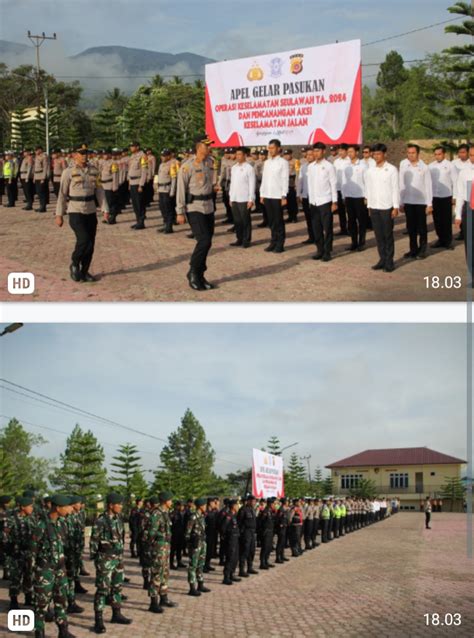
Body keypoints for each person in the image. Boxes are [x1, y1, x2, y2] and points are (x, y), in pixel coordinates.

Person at [56, 144, 108, 283]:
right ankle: (74, 263)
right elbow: (62, 193)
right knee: (83, 239)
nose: (84, 155)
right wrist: (59, 214)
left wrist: (105, 209)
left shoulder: (94, 171)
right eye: (81, 153)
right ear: (75, 155)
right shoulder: (68, 172)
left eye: (86, 153)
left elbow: (100, 191)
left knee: (91, 244)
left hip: (90, 210)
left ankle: (84, 271)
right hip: (75, 210)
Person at [176, 135, 218, 291]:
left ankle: (200, 274)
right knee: (204, 241)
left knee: (208, 242)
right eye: (207, 146)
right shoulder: (187, 166)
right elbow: (180, 189)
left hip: (209, 206)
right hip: (194, 207)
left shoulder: (210, 162)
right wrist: (179, 211)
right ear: (199, 147)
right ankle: (193, 272)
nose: (209, 148)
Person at [31, 494, 75, 638]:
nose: (70, 509)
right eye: (67, 506)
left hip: (60, 569)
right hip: (45, 571)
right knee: (41, 605)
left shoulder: (61, 523)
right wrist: (34, 574)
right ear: (58, 508)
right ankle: (39, 632)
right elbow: (32, 551)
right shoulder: (41, 525)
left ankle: (63, 631)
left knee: (61, 601)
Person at [90, 493, 132, 633]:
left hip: (118, 559)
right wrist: (97, 560)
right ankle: (99, 621)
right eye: (118, 504)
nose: (120, 506)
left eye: (121, 504)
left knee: (117, 587)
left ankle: (116, 614)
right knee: (102, 590)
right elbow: (94, 542)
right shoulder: (100, 521)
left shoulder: (118, 519)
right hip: (105, 559)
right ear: (110, 505)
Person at [365, 143, 399, 272]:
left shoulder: (391, 169)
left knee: (387, 235)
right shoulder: (370, 171)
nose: (376, 156)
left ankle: (389, 261)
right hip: (374, 206)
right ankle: (382, 259)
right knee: (378, 235)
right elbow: (368, 189)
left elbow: (395, 189)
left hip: (387, 207)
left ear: (385, 154)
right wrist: (369, 205)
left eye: (379, 154)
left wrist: (395, 207)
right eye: (374, 154)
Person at [143, 492, 177, 614]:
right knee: (157, 573)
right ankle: (153, 602)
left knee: (165, 572)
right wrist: (152, 548)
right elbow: (151, 533)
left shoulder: (165, 513)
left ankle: (164, 598)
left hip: (165, 546)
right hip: (158, 547)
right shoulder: (156, 514)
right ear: (165, 501)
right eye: (170, 500)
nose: (171, 502)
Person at [399, 144, 433, 260]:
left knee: (422, 227)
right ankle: (413, 249)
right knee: (411, 227)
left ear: (418, 153)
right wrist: (401, 202)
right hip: (408, 201)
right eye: (408, 153)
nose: (410, 155)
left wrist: (429, 204)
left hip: (421, 202)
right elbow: (401, 185)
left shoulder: (424, 167)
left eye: (413, 153)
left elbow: (428, 186)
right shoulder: (404, 166)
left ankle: (422, 250)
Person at [307, 141, 338, 262]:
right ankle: (319, 249)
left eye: (318, 151)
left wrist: (334, 202)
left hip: (325, 201)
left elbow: (333, 184)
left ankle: (327, 251)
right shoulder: (310, 167)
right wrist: (310, 200)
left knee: (327, 227)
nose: (316, 153)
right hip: (314, 202)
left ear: (323, 152)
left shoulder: (329, 166)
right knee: (316, 228)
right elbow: (310, 184)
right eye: (314, 151)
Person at [260, 139, 289, 253]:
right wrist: (262, 194)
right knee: (271, 220)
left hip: (277, 195)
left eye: (272, 148)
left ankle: (280, 244)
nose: (270, 150)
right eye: (269, 148)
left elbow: (285, 179)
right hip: (267, 194)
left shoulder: (283, 162)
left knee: (278, 220)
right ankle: (273, 241)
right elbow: (264, 179)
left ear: (278, 148)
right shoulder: (267, 162)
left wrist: (283, 196)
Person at [6, 495, 35, 611]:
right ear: (23, 507)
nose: (32, 508)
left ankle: (28, 598)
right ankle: (13, 600)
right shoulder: (11, 519)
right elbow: (5, 535)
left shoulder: (32, 519)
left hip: (28, 553)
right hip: (16, 554)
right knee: (15, 578)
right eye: (30, 506)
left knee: (29, 576)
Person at [429, 146, 456, 249]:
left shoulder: (450, 165)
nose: (437, 156)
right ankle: (440, 239)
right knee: (437, 220)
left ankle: (448, 242)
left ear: (444, 154)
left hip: (446, 196)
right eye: (435, 154)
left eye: (439, 154)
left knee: (446, 220)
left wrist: (455, 196)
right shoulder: (431, 166)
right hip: (434, 197)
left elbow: (455, 181)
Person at [342, 144, 368, 251]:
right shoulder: (346, 166)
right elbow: (344, 181)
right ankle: (354, 242)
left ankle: (361, 242)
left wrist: (366, 197)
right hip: (349, 197)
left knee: (361, 220)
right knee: (351, 220)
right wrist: (344, 195)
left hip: (360, 197)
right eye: (348, 152)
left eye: (351, 152)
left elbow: (367, 182)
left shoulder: (363, 165)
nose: (349, 154)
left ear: (357, 152)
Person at [454, 144, 474, 284]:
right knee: (470, 244)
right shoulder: (464, 172)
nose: (473, 158)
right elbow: (460, 195)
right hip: (469, 209)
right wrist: (458, 215)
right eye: (472, 155)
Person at [229, 146, 256, 248]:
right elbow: (232, 184)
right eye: (237, 154)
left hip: (244, 198)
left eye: (240, 154)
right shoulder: (234, 167)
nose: (237, 156)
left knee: (245, 220)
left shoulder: (249, 168)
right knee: (237, 221)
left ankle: (246, 240)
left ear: (245, 155)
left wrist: (251, 199)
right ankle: (239, 238)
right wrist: (231, 198)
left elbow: (252, 184)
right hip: (235, 198)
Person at [185, 497, 210, 596]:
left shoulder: (202, 517)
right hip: (195, 545)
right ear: (200, 506)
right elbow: (187, 533)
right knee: (193, 566)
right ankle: (192, 588)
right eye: (204, 505)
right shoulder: (193, 517)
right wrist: (191, 545)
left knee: (201, 564)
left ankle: (200, 584)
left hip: (202, 543)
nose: (206, 507)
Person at [297, 147, 315, 244]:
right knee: (308, 218)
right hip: (305, 196)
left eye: (311, 154)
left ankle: (318, 237)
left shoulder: (318, 166)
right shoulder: (303, 167)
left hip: (316, 197)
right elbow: (300, 181)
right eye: (307, 155)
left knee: (316, 219)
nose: (309, 156)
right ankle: (311, 237)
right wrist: (298, 194)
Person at [156, 149, 177, 234]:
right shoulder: (161, 165)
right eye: (161, 155)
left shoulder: (172, 165)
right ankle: (165, 224)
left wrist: (172, 191)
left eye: (164, 156)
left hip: (167, 189)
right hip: (161, 189)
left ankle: (169, 226)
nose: (162, 157)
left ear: (169, 156)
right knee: (162, 207)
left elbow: (174, 179)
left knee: (169, 208)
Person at [128, 141, 148, 230]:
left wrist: (141, 184)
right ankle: (137, 221)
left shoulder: (142, 156)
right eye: (131, 146)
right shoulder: (132, 156)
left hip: (138, 182)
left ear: (137, 147)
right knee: (135, 204)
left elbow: (144, 171)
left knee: (140, 203)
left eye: (132, 146)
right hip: (132, 182)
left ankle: (141, 222)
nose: (131, 148)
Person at [236, 494, 258, 577]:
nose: (254, 502)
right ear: (248, 501)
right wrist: (241, 532)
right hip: (246, 532)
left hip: (252, 532)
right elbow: (239, 521)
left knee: (252, 550)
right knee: (244, 551)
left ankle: (250, 567)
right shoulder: (243, 510)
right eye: (252, 501)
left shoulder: (253, 509)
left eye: (254, 501)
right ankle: (241, 570)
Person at [452, 143, 470, 241]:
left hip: (470, 193)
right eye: (459, 152)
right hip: (459, 192)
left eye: (463, 152)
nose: (461, 154)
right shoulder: (454, 163)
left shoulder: (471, 163)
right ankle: (463, 233)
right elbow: (453, 181)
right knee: (461, 212)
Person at [221, 499, 240, 585]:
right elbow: (223, 528)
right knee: (230, 558)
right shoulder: (228, 516)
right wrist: (226, 537)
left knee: (235, 558)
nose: (238, 507)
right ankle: (226, 577)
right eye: (236, 505)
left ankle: (232, 574)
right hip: (230, 540)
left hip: (235, 539)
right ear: (233, 506)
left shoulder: (234, 515)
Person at [100, 149, 121, 225]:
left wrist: (115, 186)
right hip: (103, 185)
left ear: (109, 155)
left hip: (110, 185)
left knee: (111, 202)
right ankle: (106, 217)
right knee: (105, 203)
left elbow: (115, 175)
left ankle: (112, 218)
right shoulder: (103, 163)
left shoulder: (113, 163)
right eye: (103, 154)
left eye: (105, 154)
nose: (104, 156)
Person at [333, 143, 350, 235]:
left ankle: (351, 228)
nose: (340, 152)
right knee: (341, 211)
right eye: (339, 150)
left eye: (342, 150)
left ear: (346, 151)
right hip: (338, 188)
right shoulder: (336, 162)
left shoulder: (350, 161)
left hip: (348, 189)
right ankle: (343, 228)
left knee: (349, 211)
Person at [257, 497, 275, 569]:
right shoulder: (265, 511)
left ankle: (266, 561)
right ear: (270, 504)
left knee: (269, 547)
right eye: (273, 503)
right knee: (265, 547)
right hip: (266, 531)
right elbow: (261, 522)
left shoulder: (270, 511)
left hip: (270, 531)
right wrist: (262, 531)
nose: (274, 505)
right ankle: (262, 563)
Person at [204, 497, 218, 573]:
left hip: (213, 533)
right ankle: (203, 565)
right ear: (210, 503)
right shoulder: (206, 512)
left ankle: (207, 564)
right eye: (213, 503)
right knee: (206, 550)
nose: (214, 504)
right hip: (207, 534)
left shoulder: (213, 512)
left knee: (210, 550)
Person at [170, 500, 186, 569]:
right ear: (177, 506)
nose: (182, 507)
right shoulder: (173, 514)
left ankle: (179, 561)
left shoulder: (183, 513)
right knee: (173, 549)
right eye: (181, 505)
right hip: (174, 534)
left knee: (179, 548)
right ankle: (171, 563)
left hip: (181, 533)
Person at [283, 148, 298, 222]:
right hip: (285, 185)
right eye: (285, 155)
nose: (286, 156)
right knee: (287, 202)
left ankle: (294, 216)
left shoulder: (296, 161)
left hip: (292, 184)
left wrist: (296, 185)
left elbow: (298, 173)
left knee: (293, 202)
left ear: (291, 154)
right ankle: (289, 216)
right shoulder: (282, 162)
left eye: (288, 154)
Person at [33, 145, 49, 213]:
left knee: (42, 192)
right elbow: (35, 168)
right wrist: (34, 177)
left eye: (37, 150)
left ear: (40, 150)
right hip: (37, 176)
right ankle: (41, 205)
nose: (35, 151)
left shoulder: (44, 157)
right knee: (38, 192)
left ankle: (43, 207)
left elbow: (45, 167)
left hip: (41, 175)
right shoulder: (36, 157)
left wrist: (43, 178)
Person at [256, 149, 268, 227]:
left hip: (267, 186)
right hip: (260, 185)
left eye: (263, 155)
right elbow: (255, 174)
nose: (262, 156)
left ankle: (270, 221)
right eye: (261, 155)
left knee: (268, 205)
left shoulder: (269, 163)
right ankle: (265, 220)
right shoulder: (257, 163)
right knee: (263, 205)